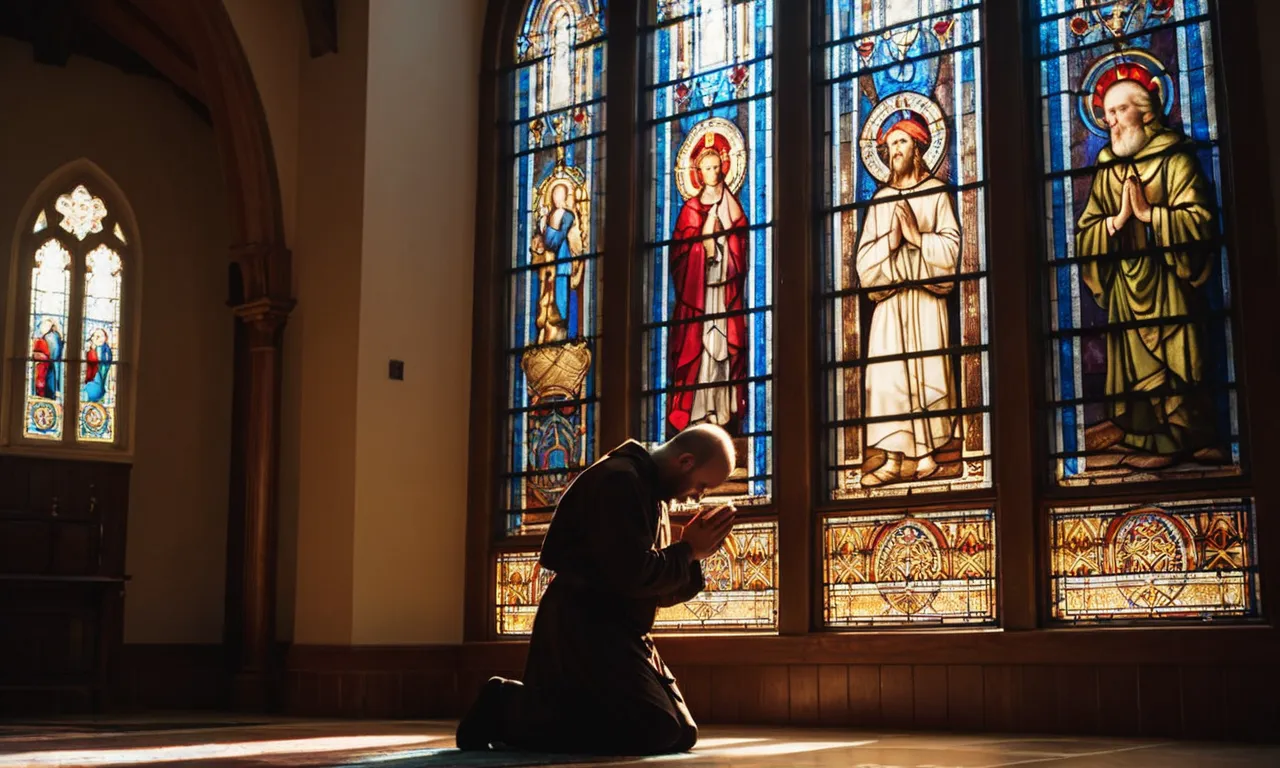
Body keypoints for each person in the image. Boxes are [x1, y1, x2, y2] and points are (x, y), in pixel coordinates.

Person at [456, 424, 739, 755]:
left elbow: (652, 588)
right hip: (583, 626)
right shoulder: (620, 480)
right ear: (686, 461)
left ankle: (534, 706)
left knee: (680, 733)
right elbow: (631, 575)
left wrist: (694, 555)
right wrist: (688, 551)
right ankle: (506, 707)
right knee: (655, 730)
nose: (697, 496)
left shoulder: (652, 494)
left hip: (618, 630)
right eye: (702, 485)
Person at [1075, 76, 1221, 467]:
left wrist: (1150, 215)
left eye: (1121, 110)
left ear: (1147, 109)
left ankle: (1184, 436)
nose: (1114, 122)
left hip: (1169, 279)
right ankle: (1144, 435)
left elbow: (1200, 220)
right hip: (1126, 280)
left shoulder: (1176, 157)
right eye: (1108, 114)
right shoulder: (1109, 166)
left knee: (1179, 354)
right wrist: (1116, 221)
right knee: (1133, 362)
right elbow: (1086, 230)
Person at [855, 112, 961, 487]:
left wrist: (917, 237)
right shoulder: (881, 200)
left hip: (925, 301)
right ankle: (891, 458)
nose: (892, 150)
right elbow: (865, 264)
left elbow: (951, 250)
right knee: (888, 381)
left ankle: (927, 453)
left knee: (926, 371)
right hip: (889, 304)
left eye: (900, 142)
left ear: (918, 148)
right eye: (888, 145)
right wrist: (892, 242)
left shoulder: (936, 194)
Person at [669, 134, 748, 435]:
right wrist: (703, 246)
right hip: (698, 297)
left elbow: (740, 245)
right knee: (700, 351)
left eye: (716, 167)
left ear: (724, 169)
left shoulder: (732, 207)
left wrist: (721, 245)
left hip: (724, 294)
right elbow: (679, 256)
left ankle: (721, 411)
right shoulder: (689, 209)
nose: (712, 173)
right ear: (697, 173)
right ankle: (699, 411)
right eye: (706, 168)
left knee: (723, 351)